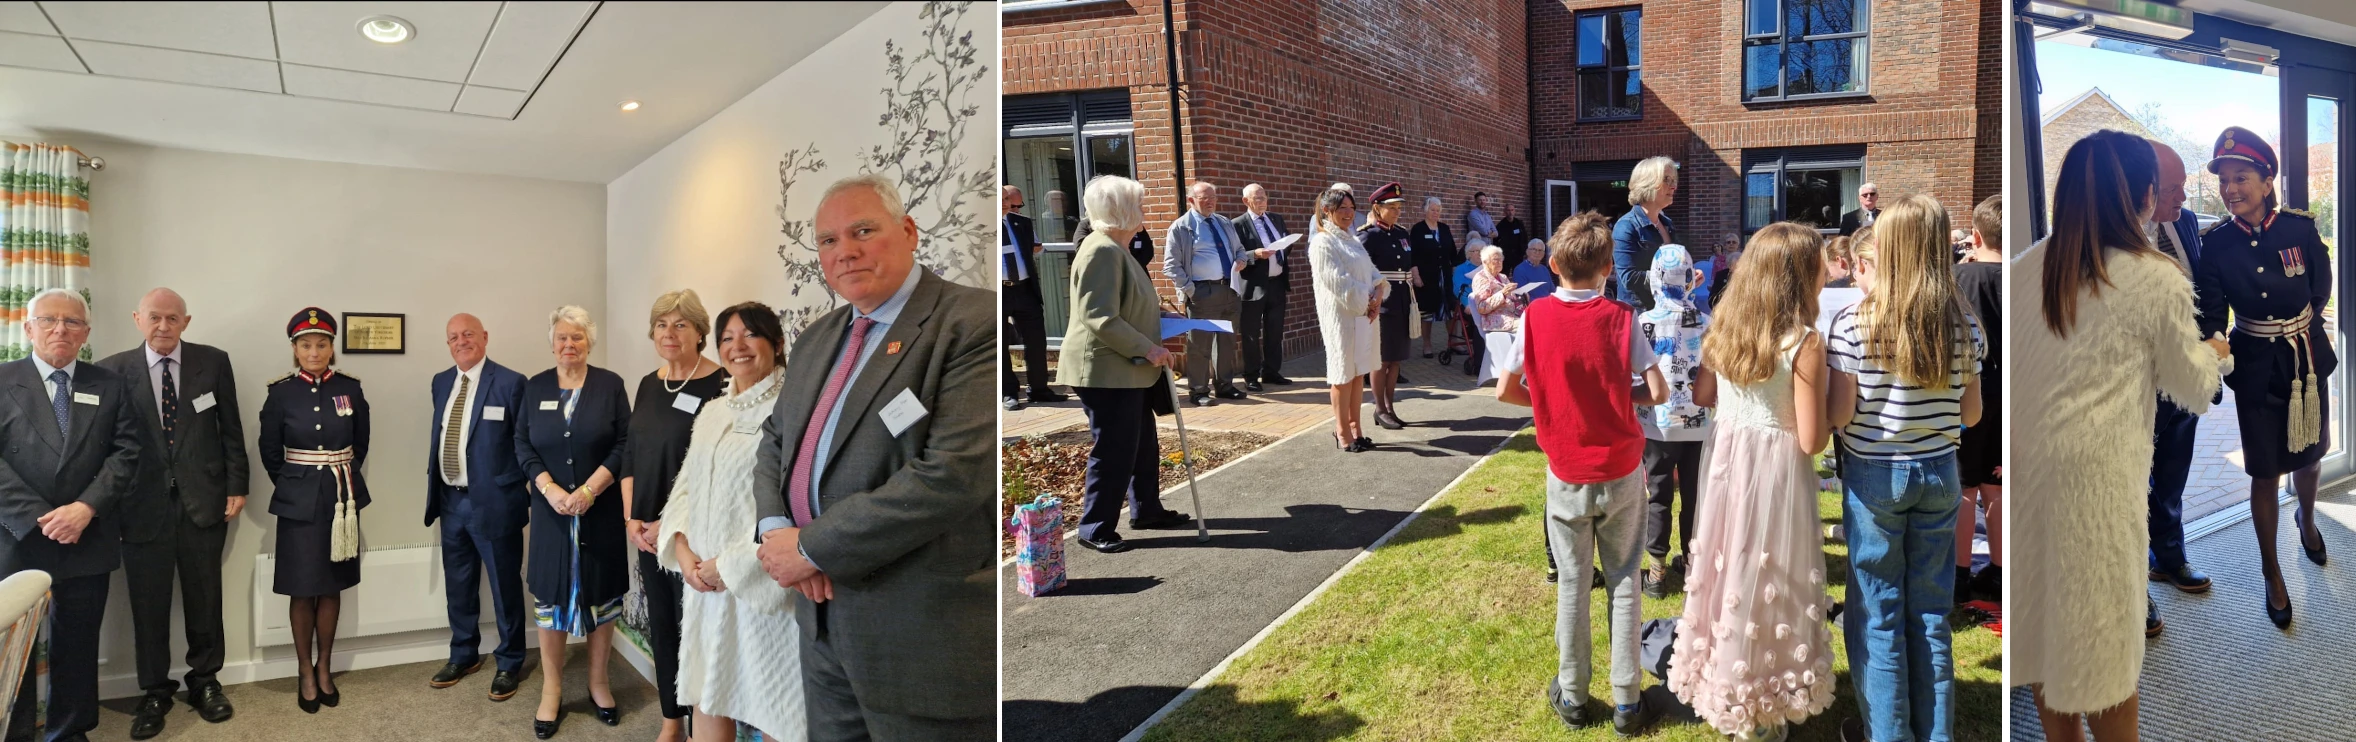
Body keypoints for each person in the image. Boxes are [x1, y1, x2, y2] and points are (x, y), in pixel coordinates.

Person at [750, 174, 997, 740]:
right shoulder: (815, 339)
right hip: (823, 629)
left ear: (908, 232)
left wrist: (812, 547)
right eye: (828, 241)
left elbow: (952, 476)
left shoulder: (968, 323)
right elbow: (774, 442)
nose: (846, 252)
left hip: (919, 637)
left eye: (863, 230)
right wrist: (775, 530)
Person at [2015, 128, 2225, 742]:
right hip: (2097, 483)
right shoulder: (2152, 276)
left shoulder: (2029, 267)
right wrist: (2216, 351)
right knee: (2106, 646)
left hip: (2028, 470)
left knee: (2042, 623)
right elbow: (2191, 388)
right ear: (2143, 195)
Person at [1495, 211, 1668, 736]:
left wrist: (1547, 407)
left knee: (1572, 582)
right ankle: (1626, 700)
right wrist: (1622, 398)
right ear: (1609, 267)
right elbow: (1657, 391)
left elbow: (1504, 389)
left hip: (1566, 470)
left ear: (1552, 264)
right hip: (1619, 469)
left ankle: (1572, 693)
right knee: (1623, 580)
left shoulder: (1535, 317)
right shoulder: (1621, 318)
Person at [1825, 194, 1984, 742]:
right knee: (1931, 614)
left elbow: (1842, 412)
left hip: (1876, 475)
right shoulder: (1963, 321)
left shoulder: (1854, 321)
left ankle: (1886, 733)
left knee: (1878, 613)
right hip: (1941, 471)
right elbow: (1972, 411)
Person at [1667, 222, 1834, 741]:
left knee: (1728, 566)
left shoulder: (1726, 327)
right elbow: (1811, 441)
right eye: (1820, 264)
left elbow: (1701, 395)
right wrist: (1839, 407)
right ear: (1800, 276)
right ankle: (1760, 698)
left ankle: (1727, 678)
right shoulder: (1805, 342)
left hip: (1728, 463)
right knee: (1772, 575)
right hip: (1776, 471)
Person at [2195, 125, 2336, 629]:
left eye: (2242, 177)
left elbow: (2320, 287)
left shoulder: (2298, 228)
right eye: (2225, 180)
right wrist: (2213, 338)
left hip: (2306, 360)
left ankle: (2308, 517)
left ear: (2267, 178)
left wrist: (2295, 327)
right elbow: (2213, 311)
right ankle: (2271, 571)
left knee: (2312, 455)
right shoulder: (2215, 245)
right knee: (2263, 470)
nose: (2231, 189)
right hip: (2255, 367)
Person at [657, 301, 805, 742]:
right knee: (708, 692)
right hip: (704, 585)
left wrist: (732, 565)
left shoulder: (792, 412)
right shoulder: (713, 412)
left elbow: (796, 503)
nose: (737, 347)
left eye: (750, 335)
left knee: (777, 704)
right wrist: (683, 553)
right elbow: (685, 488)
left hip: (764, 586)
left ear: (777, 344)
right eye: (726, 338)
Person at [98, 288, 243, 737]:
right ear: (138, 318)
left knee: (205, 599)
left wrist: (238, 485)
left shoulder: (213, 362)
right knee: (148, 606)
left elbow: (231, 428)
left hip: (204, 503)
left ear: (187, 321)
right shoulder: (112, 369)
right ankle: (155, 690)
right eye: (155, 318)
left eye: (173, 318)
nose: (164, 326)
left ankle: (205, 682)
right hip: (141, 508)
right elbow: (105, 445)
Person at [0, 289, 141, 741]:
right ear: (28, 328)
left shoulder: (110, 384)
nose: (60, 329)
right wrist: (43, 517)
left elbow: (126, 453)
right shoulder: (2, 380)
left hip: (87, 534)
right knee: (14, 649)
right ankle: (16, 733)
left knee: (78, 646)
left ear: (86, 332)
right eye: (48, 320)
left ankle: (70, 731)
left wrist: (84, 508)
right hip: (18, 537)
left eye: (72, 322)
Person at [1060, 175, 1196, 551]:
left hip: (1129, 368)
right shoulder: (1100, 250)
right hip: (1106, 369)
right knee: (1115, 448)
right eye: (1138, 204)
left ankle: (1147, 509)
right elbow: (1099, 316)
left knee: (1141, 444)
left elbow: (1129, 308)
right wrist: (1149, 348)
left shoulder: (1119, 249)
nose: (1144, 211)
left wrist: (1163, 324)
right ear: (1121, 211)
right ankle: (1095, 528)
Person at [515, 306, 631, 738]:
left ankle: (599, 683)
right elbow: (522, 442)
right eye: (562, 337)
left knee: (602, 598)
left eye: (577, 337)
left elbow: (624, 442)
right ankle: (552, 688)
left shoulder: (610, 385)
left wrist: (589, 490)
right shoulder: (536, 387)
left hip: (597, 513)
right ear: (551, 343)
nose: (569, 344)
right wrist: (549, 489)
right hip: (551, 515)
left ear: (589, 342)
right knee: (550, 601)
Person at [621, 291, 728, 742]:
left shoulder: (721, 385)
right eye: (662, 324)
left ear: (701, 332)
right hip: (646, 534)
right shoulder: (649, 383)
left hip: (693, 534)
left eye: (681, 324)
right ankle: (671, 721)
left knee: (698, 631)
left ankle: (704, 726)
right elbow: (631, 455)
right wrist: (632, 519)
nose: (670, 333)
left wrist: (673, 522)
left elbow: (719, 467)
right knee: (663, 626)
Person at [259, 307, 370, 715]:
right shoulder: (280, 393)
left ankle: (326, 666)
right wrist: (298, 485)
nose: (314, 351)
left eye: (322, 343)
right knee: (302, 588)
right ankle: (304, 670)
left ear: (331, 347)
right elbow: (270, 452)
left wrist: (333, 480)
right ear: (295, 348)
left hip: (341, 501)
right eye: (306, 344)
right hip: (298, 504)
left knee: (331, 586)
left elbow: (361, 444)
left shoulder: (351, 389)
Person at [423, 314, 532, 704]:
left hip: (496, 502)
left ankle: (509, 661)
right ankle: (463, 654)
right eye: (453, 337)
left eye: (468, 334)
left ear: (485, 337)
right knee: (459, 584)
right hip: (451, 500)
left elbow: (523, 444)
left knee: (504, 585)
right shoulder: (440, 382)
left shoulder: (510, 382)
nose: (460, 341)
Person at [2144, 139, 2214, 630]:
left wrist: (2211, 343)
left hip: (2184, 378)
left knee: (2172, 475)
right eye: (2172, 189)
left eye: (2184, 188)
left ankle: (2167, 558)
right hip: (2137, 385)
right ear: (2142, 191)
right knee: (2126, 488)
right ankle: (2130, 592)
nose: (2183, 200)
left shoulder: (2186, 223)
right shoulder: (2109, 239)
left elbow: (2204, 287)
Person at [1633, 245, 1714, 600]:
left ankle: (1656, 570)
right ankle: (1694, 562)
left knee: (1659, 495)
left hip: (1658, 424)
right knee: (1696, 496)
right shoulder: (1709, 323)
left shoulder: (1644, 323)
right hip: (1699, 425)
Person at [1955, 195, 2004, 603]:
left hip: (1970, 390)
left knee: (1964, 487)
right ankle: (2001, 573)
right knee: (1996, 485)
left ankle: (1958, 573)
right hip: (2009, 391)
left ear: (1975, 236)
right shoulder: (2027, 277)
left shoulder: (1959, 278)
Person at [1309, 186, 1384, 452]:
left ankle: (1356, 428)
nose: (1349, 214)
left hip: (1362, 317)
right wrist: (1367, 301)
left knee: (1357, 373)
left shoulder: (1351, 239)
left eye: (1352, 209)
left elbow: (1373, 272)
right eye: (1342, 209)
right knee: (1342, 374)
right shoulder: (1323, 242)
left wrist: (1378, 293)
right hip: (1341, 317)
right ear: (1327, 211)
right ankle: (1342, 432)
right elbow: (1338, 282)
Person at [1165, 179, 1247, 406]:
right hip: (1202, 292)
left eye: (1213, 198)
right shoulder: (1181, 227)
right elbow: (1171, 266)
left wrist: (1241, 259)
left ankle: (1224, 386)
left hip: (1229, 290)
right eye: (1205, 198)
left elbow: (1239, 248)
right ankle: (1199, 391)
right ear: (1191, 200)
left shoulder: (1223, 222)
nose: (1211, 202)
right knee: (1200, 344)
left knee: (1227, 342)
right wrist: (1192, 291)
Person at [1360, 182, 1417, 430]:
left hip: (1402, 299)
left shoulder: (1402, 234)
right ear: (1377, 207)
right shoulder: (1368, 235)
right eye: (1391, 207)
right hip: (1382, 303)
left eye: (1398, 207)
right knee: (1380, 359)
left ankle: (1390, 406)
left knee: (1396, 359)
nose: (1396, 211)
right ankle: (1379, 408)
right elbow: (1361, 272)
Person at [1002, 185, 1064, 411]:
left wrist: (1038, 249)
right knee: (999, 345)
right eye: (1001, 199)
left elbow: (1038, 249)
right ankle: (1009, 393)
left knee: (1037, 341)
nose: (1006, 203)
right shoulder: (980, 227)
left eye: (1008, 198)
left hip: (1025, 289)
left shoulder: (1022, 223)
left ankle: (1039, 389)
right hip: (999, 291)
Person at [1234, 183, 1296, 391]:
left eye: (1264, 197)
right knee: (1251, 333)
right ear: (1246, 201)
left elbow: (1287, 242)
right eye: (1257, 198)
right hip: (1253, 286)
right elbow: (1236, 253)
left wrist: (1283, 247)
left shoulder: (1276, 219)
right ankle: (1251, 376)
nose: (1262, 202)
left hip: (1277, 283)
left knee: (1275, 331)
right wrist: (1255, 255)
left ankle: (1271, 372)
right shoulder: (1238, 224)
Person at [1612, 156, 1680, 310]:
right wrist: (1672, 278)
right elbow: (1628, 278)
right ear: (1647, 184)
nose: (1673, 187)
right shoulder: (1626, 226)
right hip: (1640, 318)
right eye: (1666, 180)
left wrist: (1689, 275)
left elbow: (1675, 267)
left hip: (1668, 311)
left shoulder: (1667, 224)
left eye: (1673, 181)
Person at [1466, 243, 1524, 385]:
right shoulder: (1481, 278)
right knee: (1528, 326)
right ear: (1485, 262)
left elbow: (1511, 300)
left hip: (1510, 316)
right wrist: (1503, 293)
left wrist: (1520, 295)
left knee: (1534, 321)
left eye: (1501, 259)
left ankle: (1525, 368)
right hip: (1495, 320)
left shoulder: (1503, 277)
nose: (1499, 263)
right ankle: (1520, 368)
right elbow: (1482, 307)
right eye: (1495, 260)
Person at [1411, 196, 1460, 361]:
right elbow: (1413, 256)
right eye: (1432, 210)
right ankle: (1427, 344)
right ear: (1425, 210)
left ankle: (1453, 342)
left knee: (1448, 310)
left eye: (1438, 210)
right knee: (1427, 313)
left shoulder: (1444, 229)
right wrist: (1416, 276)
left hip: (1444, 277)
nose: (1435, 213)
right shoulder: (1418, 229)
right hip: (1426, 278)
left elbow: (1453, 253)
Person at [1072, 215, 1158, 272]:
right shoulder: (1086, 225)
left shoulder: (1128, 222)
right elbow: (1082, 250)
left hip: (1137, 276)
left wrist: (1130, 267)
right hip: (1105, 280)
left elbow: (1148, 250)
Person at [1514, 237, 1557, 301]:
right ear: (1527, 252)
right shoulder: (1520, 270)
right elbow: (1522, 296)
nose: (1537, 253)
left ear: (1543, 254)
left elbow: (1552, 290)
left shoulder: (1544, 269)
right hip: (1533, 307)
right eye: (1534, 249)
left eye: (1540, 250)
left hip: (1548, 305)